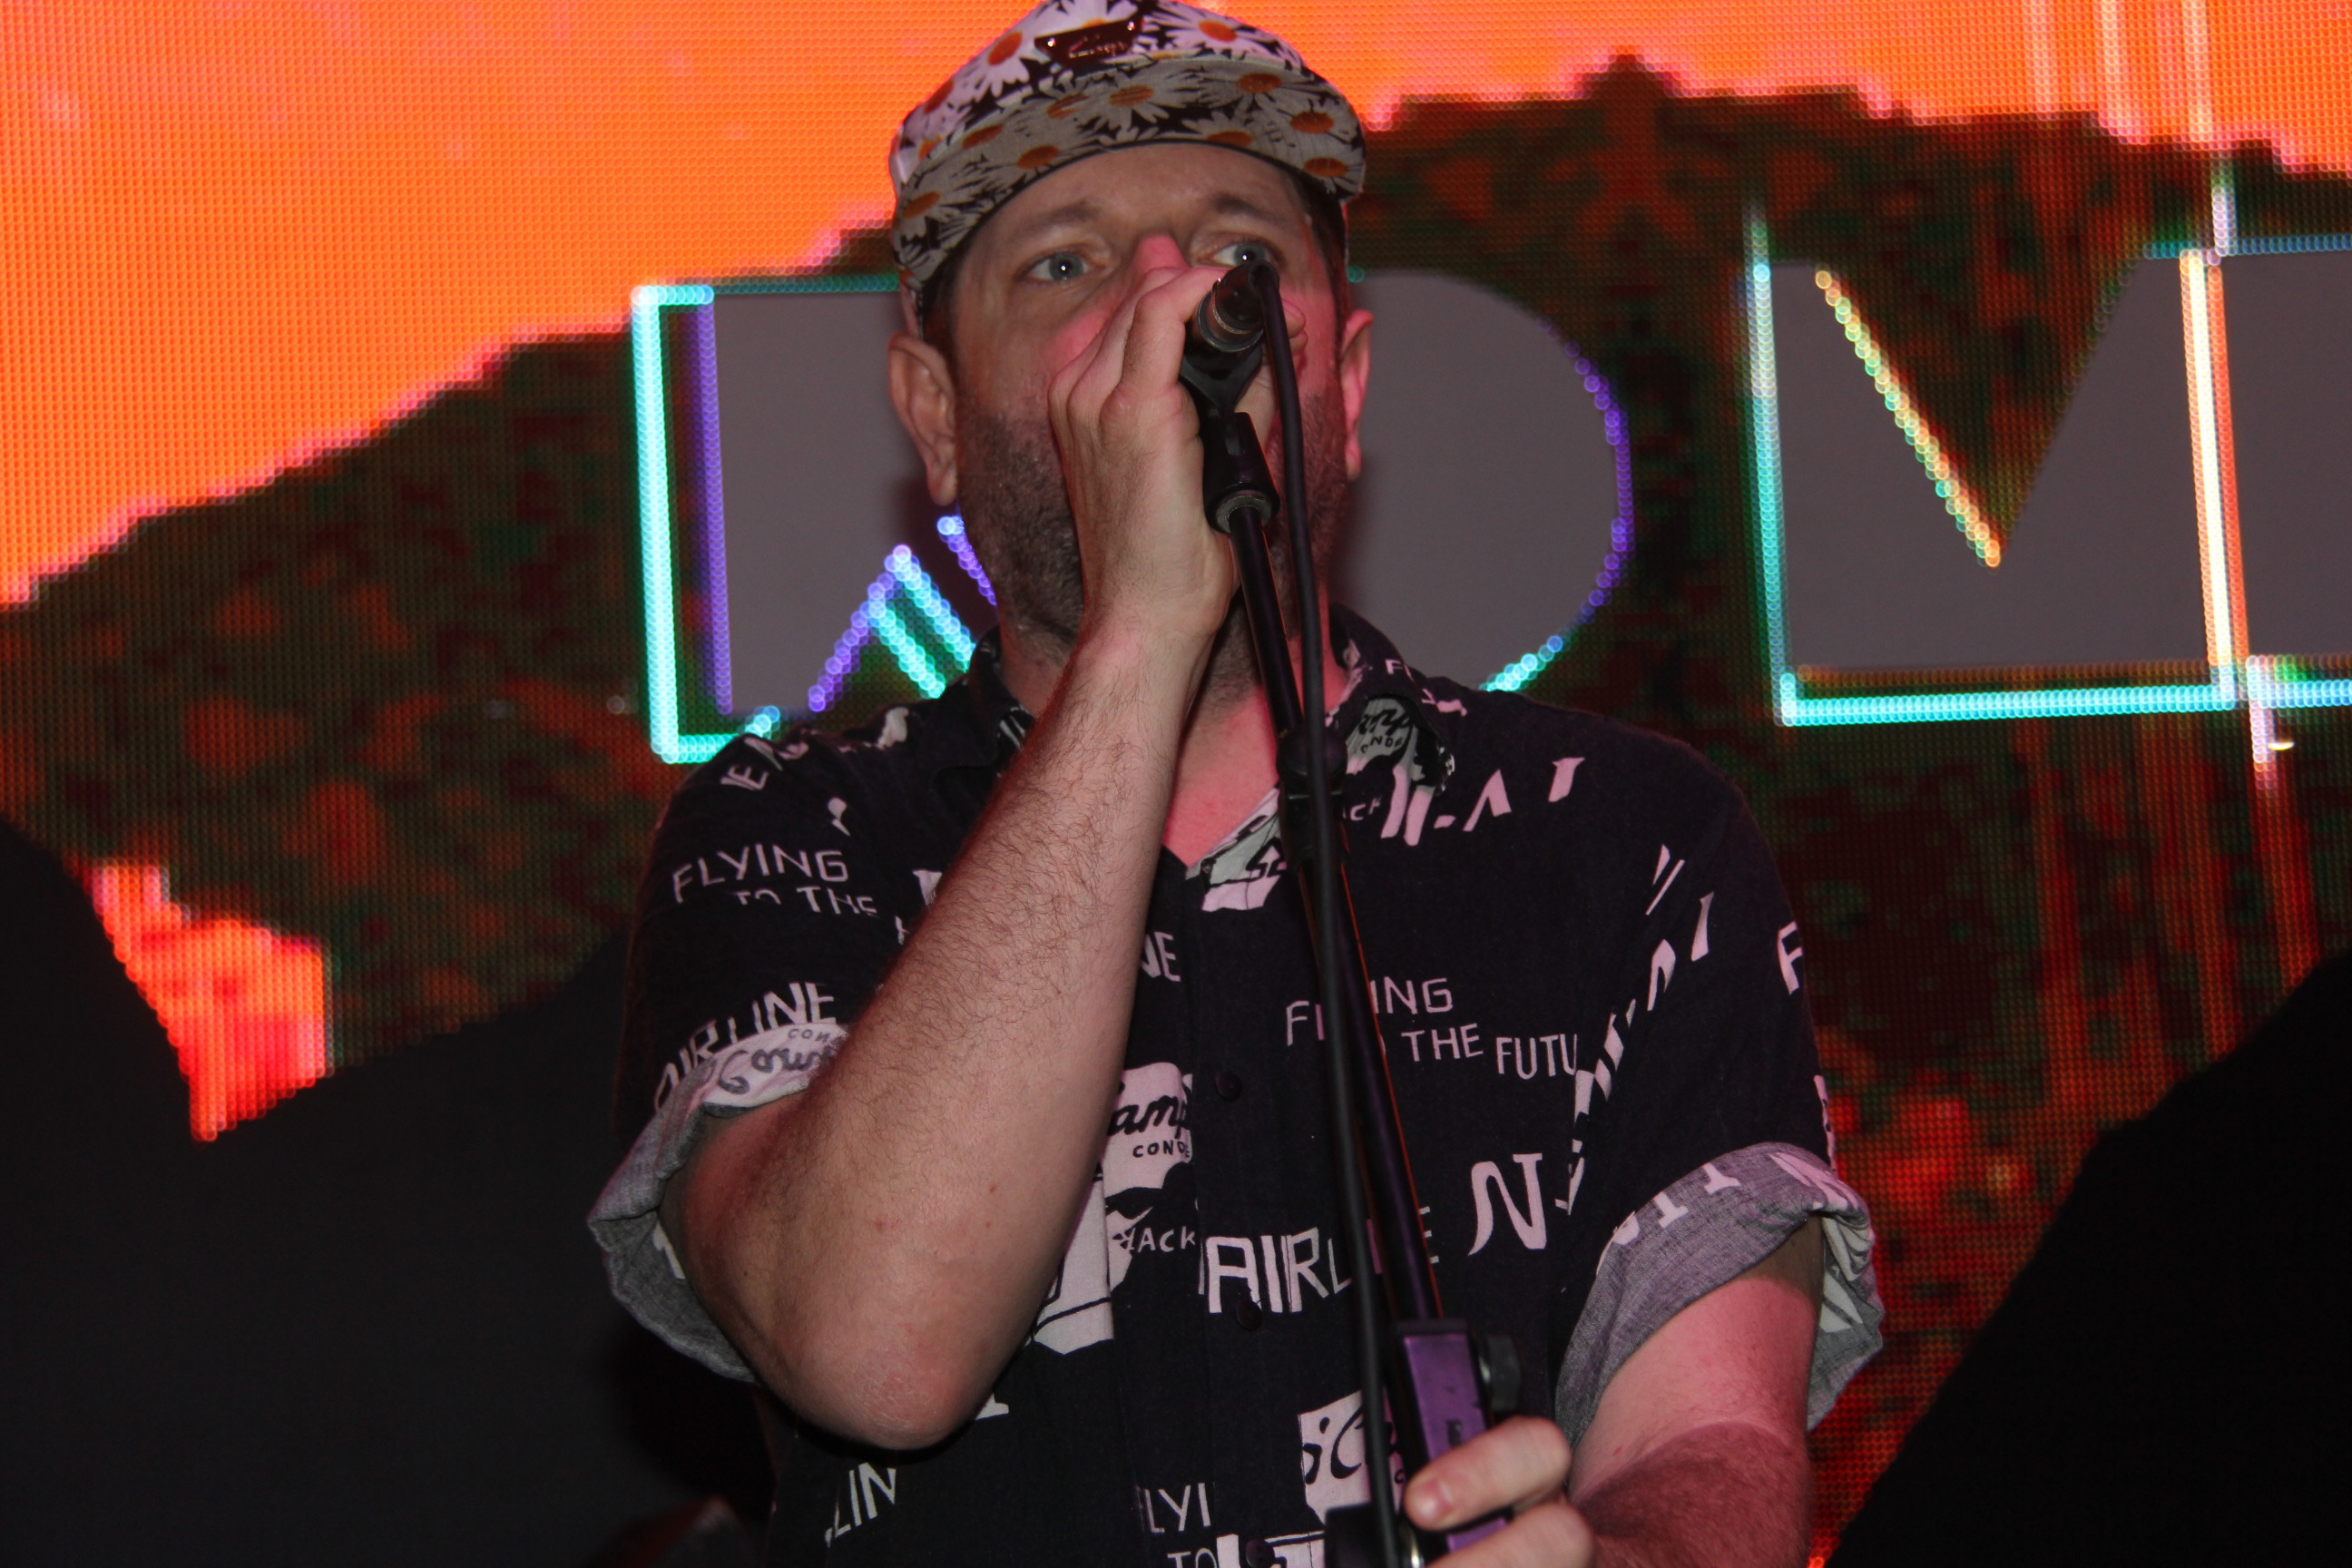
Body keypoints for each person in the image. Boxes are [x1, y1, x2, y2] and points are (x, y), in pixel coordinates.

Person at [592, 5, 1884, 1564]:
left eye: (1240, 255)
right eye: (1064, 263)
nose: (1172, 299)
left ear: (1345, 377)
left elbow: (1714, 1445)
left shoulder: (1623, 840)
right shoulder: (791, 833)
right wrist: (1145, 625)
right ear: (936, 414)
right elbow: (876, 1348)